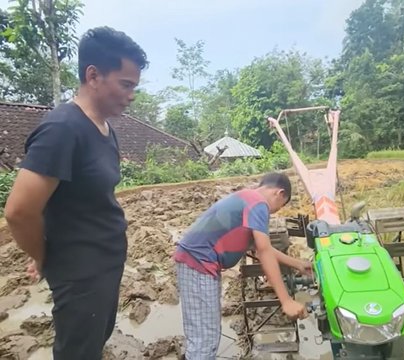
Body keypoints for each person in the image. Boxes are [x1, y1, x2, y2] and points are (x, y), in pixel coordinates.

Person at [5, 27, 147, 359]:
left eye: (134, 87)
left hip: (104, 266)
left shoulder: (104, 127)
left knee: (93, 345)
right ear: (93, 75)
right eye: (126, 84)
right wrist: (43, 255)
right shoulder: (62, 129)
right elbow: (18, 211)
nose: (131, 95)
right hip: (80, 274)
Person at [174, 172, 311, 360]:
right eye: (280, 207)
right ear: (280, 193)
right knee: (205, 340)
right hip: (199, 264)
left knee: (205, 335)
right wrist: (286, 301)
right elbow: (264, 252)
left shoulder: (247, 199)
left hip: (198, 264)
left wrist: (298, 264)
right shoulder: (259, 204)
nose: (275, 212)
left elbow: (262, 248)